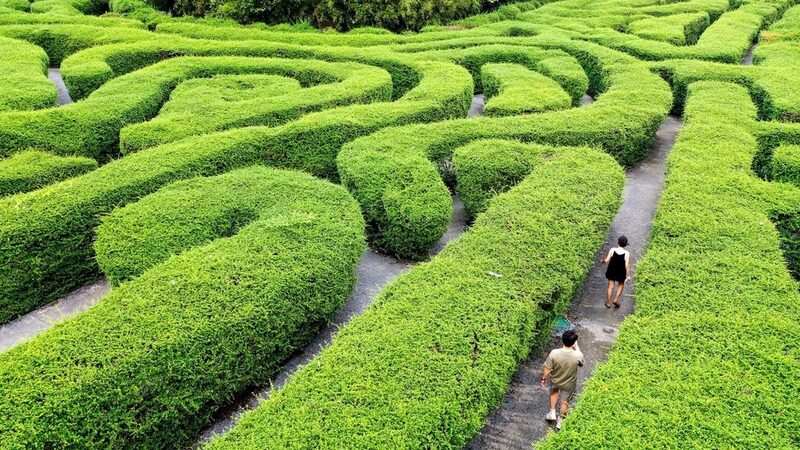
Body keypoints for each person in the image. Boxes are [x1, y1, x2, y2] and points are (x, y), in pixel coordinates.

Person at [541, 329, 584, 431]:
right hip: (569, 383)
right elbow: (581, 364)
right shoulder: (578, 355)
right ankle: (560, 421)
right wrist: (577, 347)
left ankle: (552, 413)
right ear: (574, 342)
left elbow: (547, 368)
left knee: (554, 392)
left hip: (556, 380)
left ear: (562, 340)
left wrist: (543, 378)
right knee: (564, 401)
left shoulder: (554, 353)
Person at [601, 235, 631, 308]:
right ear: (626, 244)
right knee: (621, 285)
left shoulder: (612, 250)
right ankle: (616, 299)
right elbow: (626, 265)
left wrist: (602, 261)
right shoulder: (627, 253)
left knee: (610, 287)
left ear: (618, 242)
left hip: (612, 270)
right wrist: (629, 275)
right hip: (621, 272)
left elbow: (606, 260)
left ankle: (608, 303)